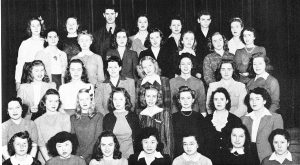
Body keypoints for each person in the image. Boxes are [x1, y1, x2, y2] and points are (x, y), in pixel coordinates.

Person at [241, 87, 283, 163]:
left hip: (267, 156)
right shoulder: (243, 119)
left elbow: (279, 141)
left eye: (257, 99)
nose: (254, 102)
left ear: (264, 101)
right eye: (251, 99)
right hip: (247, 156)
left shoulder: (275, 118)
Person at [204, 87, 242, 165]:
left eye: (222, 99)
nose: (219, 102)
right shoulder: (206, 120)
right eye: (216, 99)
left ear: (227, 101)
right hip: (210, 161)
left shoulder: (235, 120)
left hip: (231, 161)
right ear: (213, 102)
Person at [34, 89, 71, 164]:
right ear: (44, 103)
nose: (53, 104)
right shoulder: (37, 121)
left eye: (56, 101)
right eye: (50, 101)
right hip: (45, 159)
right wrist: (50, 162)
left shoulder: (65, 117)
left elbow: (65, 141)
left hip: (63, 157)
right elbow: (41, 145)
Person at [103, 87, 141, 159]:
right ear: (112, 101)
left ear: (126, 100)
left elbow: (138, 140)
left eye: (121, 99)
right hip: (113, 157)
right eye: (115, 99)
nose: (117, 102)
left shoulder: (133, 116)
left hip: (131, 157)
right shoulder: (107, 118)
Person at [139, 85, 173, 157]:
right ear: (144, 97)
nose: (151, 99)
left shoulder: (164, 113)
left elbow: (169, 138)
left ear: (158, 98)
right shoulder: (141, 115)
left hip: (162, 153)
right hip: (147, 153)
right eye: (148, 96)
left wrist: (168, 157)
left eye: (154, 96)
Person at [70, 88, 103, 163]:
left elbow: (97, 139)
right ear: (78, 102)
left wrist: (84, 156)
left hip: (94, 156)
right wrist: (79, 156)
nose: (84, 102)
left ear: (91, 100)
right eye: (81, 99)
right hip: (78, 156)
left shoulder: (98, 116)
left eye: (87, 99)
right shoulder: (73, 118)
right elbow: (73, 139)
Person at [172, 86, 206, 157]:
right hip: (178, 155)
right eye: (182, 98)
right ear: (179, 100)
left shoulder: (199, 117)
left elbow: (202, 140)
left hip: (196, 155)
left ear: (193, 100)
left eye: (188, 98)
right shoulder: (173, 117)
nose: (185, 101)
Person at [15, 16, 45, 90]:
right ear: (30, 28)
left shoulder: (46, 41)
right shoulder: (25, 43)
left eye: (38, 25)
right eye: (33, 26)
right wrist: (17, 81)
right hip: (28, 76)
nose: (36, 28)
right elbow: (20, 64)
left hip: (43, 75)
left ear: (41, 27)